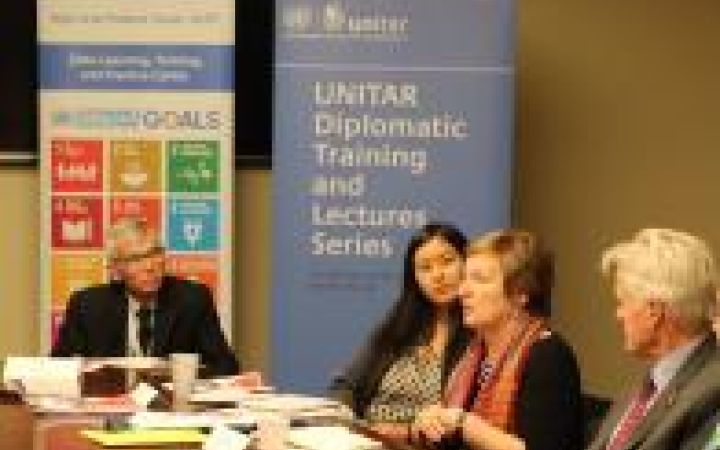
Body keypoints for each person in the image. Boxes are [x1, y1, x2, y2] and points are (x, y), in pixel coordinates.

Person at [414, 229, 583, 450]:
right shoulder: (471, 352)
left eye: (479, 280)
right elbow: (450, 433)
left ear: (520, 293)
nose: (463, 291)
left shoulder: (548, 356)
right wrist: (428, 422)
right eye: (464, 279)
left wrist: (466, 424)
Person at [330, 222, 472, 444]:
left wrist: (406, 432)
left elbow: (462, 418)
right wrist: (345, 427)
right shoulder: (401, 322)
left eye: (447, 261)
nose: (437, 275)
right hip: (364, 440)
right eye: (425, 268)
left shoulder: (479, 332)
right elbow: (346, 385)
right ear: (414, 278)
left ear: (467, 262)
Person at [51, 218, 240, 377]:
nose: (149, 266)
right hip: (108, 402)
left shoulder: (192, 299)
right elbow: (57, 369)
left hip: (171, 403)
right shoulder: (87, 305)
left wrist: (178, 373)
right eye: (136, 259)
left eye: (154, 254)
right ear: (116, 269)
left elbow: (226, 366)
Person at [586, 228, 720, 450]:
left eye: (622, 302)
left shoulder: (711, 392)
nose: (618, 315)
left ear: (654, 311)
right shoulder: (648, 386)